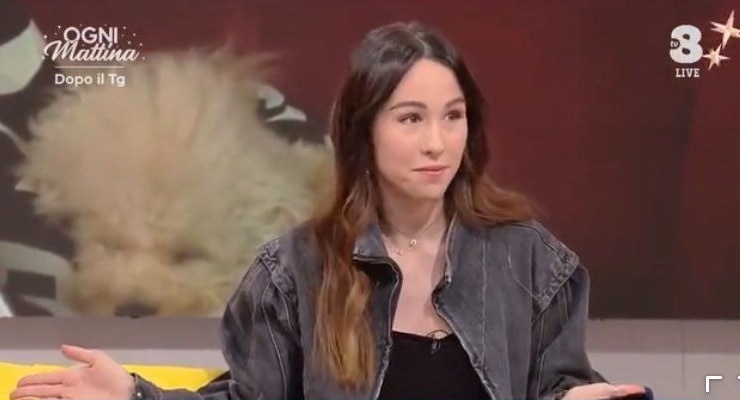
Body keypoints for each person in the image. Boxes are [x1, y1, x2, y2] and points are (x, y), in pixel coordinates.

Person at [10, 21, 649, 400]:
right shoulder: (294, 269)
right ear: (363, 132)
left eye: (453, 117)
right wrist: (134, 394)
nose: (437, 142)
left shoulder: (531, 261)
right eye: (411, 118)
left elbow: (559, 386)